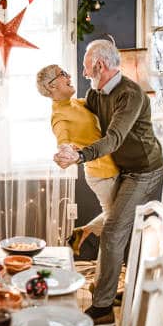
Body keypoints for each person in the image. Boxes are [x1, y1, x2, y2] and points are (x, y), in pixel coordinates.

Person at [54, 39, 163, 326]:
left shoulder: (130, 94)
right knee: (119, 223)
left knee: (115, 230)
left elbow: (113, 138)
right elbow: (76, 117)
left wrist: (79, 156)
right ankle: (115, 288)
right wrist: (64, 141)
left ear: (99, 65)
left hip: (144, 170)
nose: (83, 71)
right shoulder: (96, 94)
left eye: (86, 66)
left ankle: (102, 309)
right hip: (122, 169)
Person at [36, 64, 119, 256]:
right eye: (62, 73)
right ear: (51, 87)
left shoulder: (78, 103)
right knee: (115, 223)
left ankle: (83, 232)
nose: (68, 75)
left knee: (119, 214)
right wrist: (64, 151)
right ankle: (105, 274)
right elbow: (62, 140)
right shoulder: (59, 116)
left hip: (116, 166)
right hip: (101, 174)